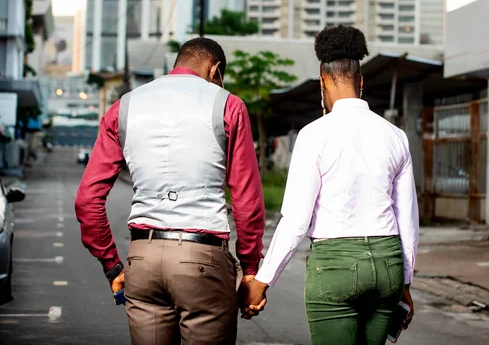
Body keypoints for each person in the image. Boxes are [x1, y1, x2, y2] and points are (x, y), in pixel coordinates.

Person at [75, 37, 265, 344]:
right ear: (215, 70)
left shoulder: (122, 107)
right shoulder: (228, 104)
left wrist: (112, 265)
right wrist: (251, 269)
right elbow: (247, 198)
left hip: (143, 260)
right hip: (203, 260)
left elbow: (87, 200)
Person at [242, 25, 419, 345]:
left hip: (335, 265)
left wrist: (263, 281)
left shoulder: (313, 135)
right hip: (388, 263)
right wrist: (404, 280)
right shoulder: (396, 136)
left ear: (322, 81)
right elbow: (407, 218)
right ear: (361, 82)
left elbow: (296, 220)